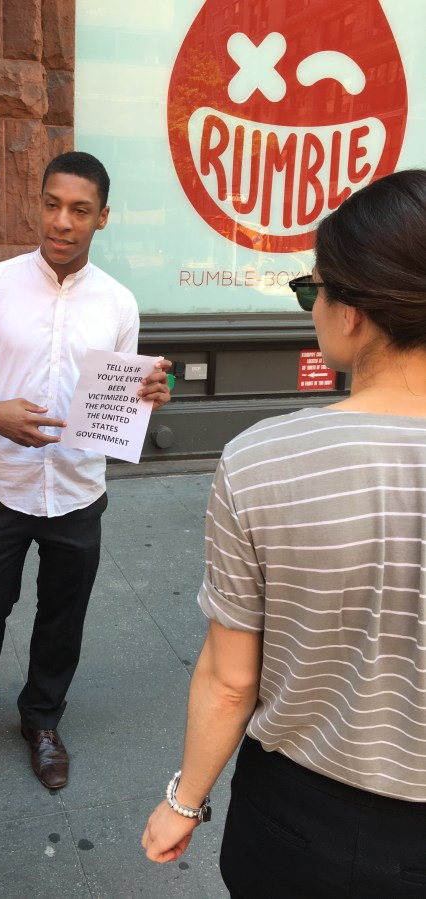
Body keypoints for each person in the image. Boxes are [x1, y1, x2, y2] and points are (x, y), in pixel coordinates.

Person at [142, 169, 426, 898]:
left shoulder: (262, 459)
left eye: (312, 289)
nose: (312, 306)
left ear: (352, 311)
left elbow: (230, 678)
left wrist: (183, 802)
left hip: (300, 814)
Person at [0, 151, 171, 789]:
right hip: (2, 485)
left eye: (79, 210)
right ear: (40, 204)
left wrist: (147, 396)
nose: (62, 221)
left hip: (79, 492)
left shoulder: (118, 303)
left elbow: (120, 392)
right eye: (52, 205)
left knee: (63, 616)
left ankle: (42, 719)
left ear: (102, 218)